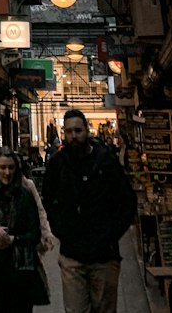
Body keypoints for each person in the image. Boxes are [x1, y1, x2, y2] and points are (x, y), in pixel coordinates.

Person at [41, 109, 137, 313]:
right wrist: (63, 233)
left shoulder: (106, 162)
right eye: (68, 132)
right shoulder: (58, 165)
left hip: (104, 256)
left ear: (87, 131)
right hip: (72, 257)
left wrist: (110, 235)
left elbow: (127, 202)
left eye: (78, 130)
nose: (73, 136)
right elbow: (49, 202)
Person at [0, 149, 49, 313]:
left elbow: (34, 233)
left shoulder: (25, 196)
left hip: (20, 269)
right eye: (3, 167)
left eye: (11, 168)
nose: (7, 172)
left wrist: (13, 240)